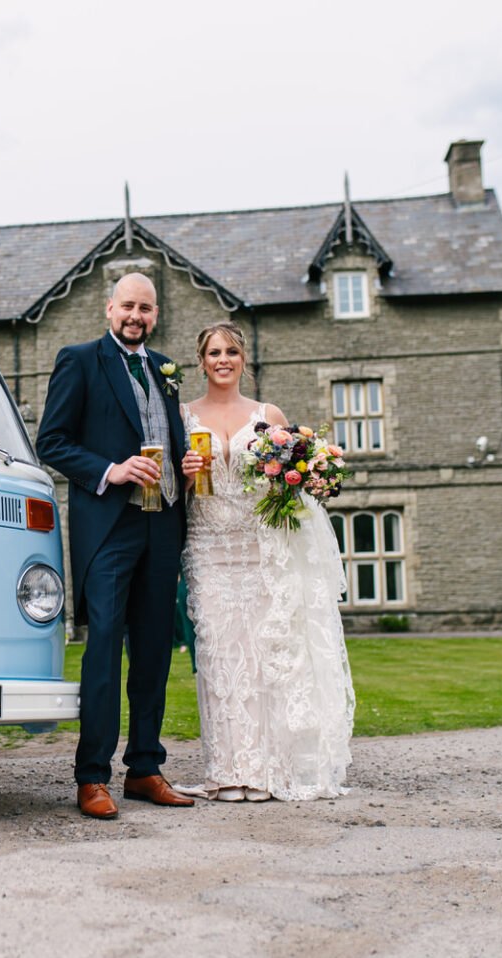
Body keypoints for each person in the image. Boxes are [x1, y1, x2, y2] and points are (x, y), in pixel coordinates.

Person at [36, 272, 196, 819]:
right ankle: (92, 777)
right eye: (128, 306)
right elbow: (52, 441)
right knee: (104, 646)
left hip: (164, 523)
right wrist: (111, 468)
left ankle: (146, 768)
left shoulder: (166, 370)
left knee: (153, 650)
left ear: (155, 314)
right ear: (109, 309)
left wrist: (185, 464)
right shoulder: (79, 360)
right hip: (109, 526)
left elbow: (169, 438)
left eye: (146, 308)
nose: (136, 316)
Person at [174, 322, 354, 802]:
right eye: (213, 352)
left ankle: (266, 772)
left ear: (243, 359)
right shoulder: (183, 415)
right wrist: (186, 474)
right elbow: (171, 492)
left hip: (259, 548)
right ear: (202, 360)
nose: (222, 360)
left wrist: (299, 476)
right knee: (216, 656)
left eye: (231, 351)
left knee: (263, 658)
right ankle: (227, 771)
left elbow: (290, 484)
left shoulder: (267, 413)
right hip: (208, 546)